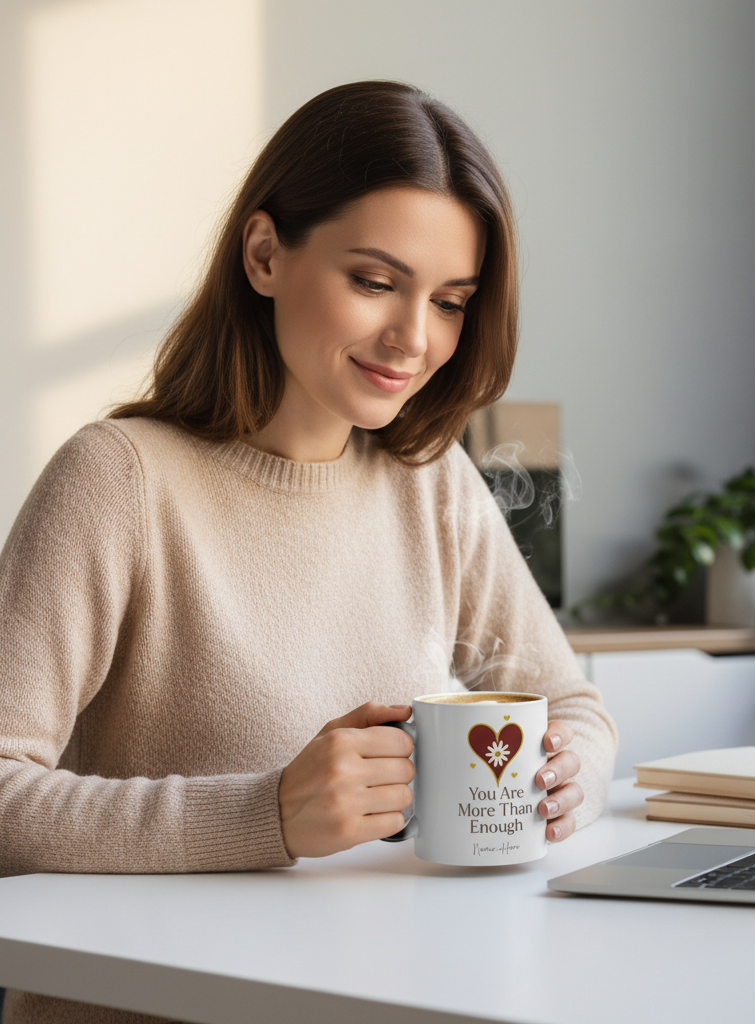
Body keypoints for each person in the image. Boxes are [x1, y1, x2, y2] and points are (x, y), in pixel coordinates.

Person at [0, 82, 617, 1023]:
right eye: (375, 282)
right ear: (264, 255)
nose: (415, 339)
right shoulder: (118, 479)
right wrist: (267, 815)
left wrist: (574, 767)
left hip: (378, 995)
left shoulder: (431, 480)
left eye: (449, 301)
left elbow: (571, 703)